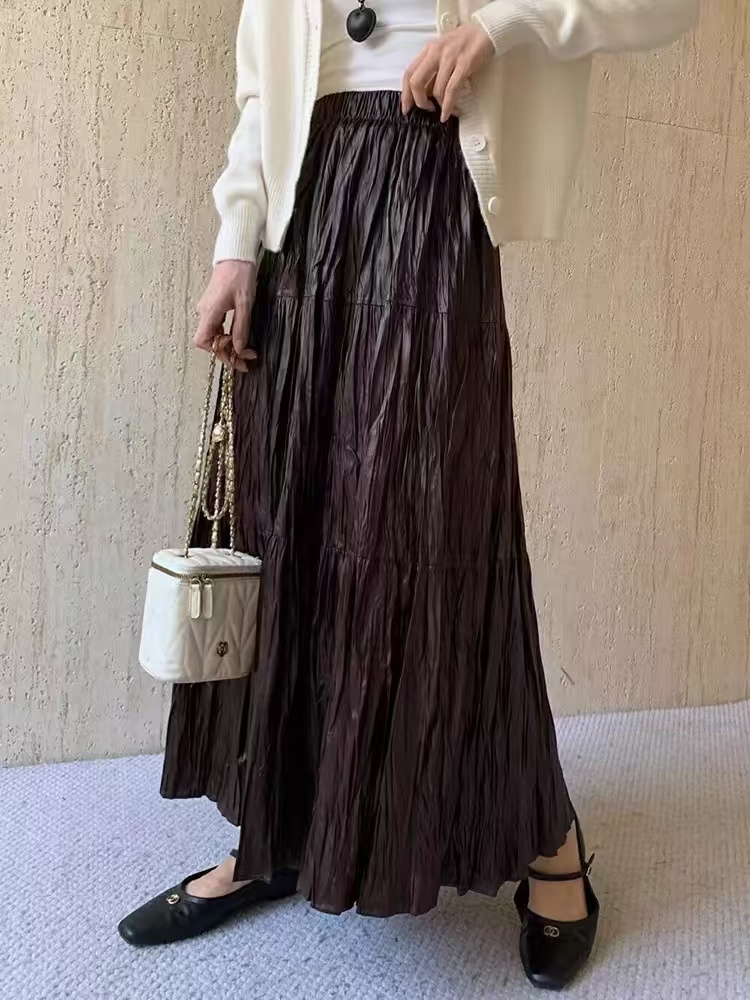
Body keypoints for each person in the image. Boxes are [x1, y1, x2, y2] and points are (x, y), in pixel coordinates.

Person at [119, 0, 697, 989]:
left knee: (438, 525)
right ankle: (280, 833)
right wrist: (234, 241)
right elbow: (265, 85)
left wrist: (504, 25)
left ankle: (548, 834)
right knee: (289, 521)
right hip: (304, 198)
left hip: (433, 172)